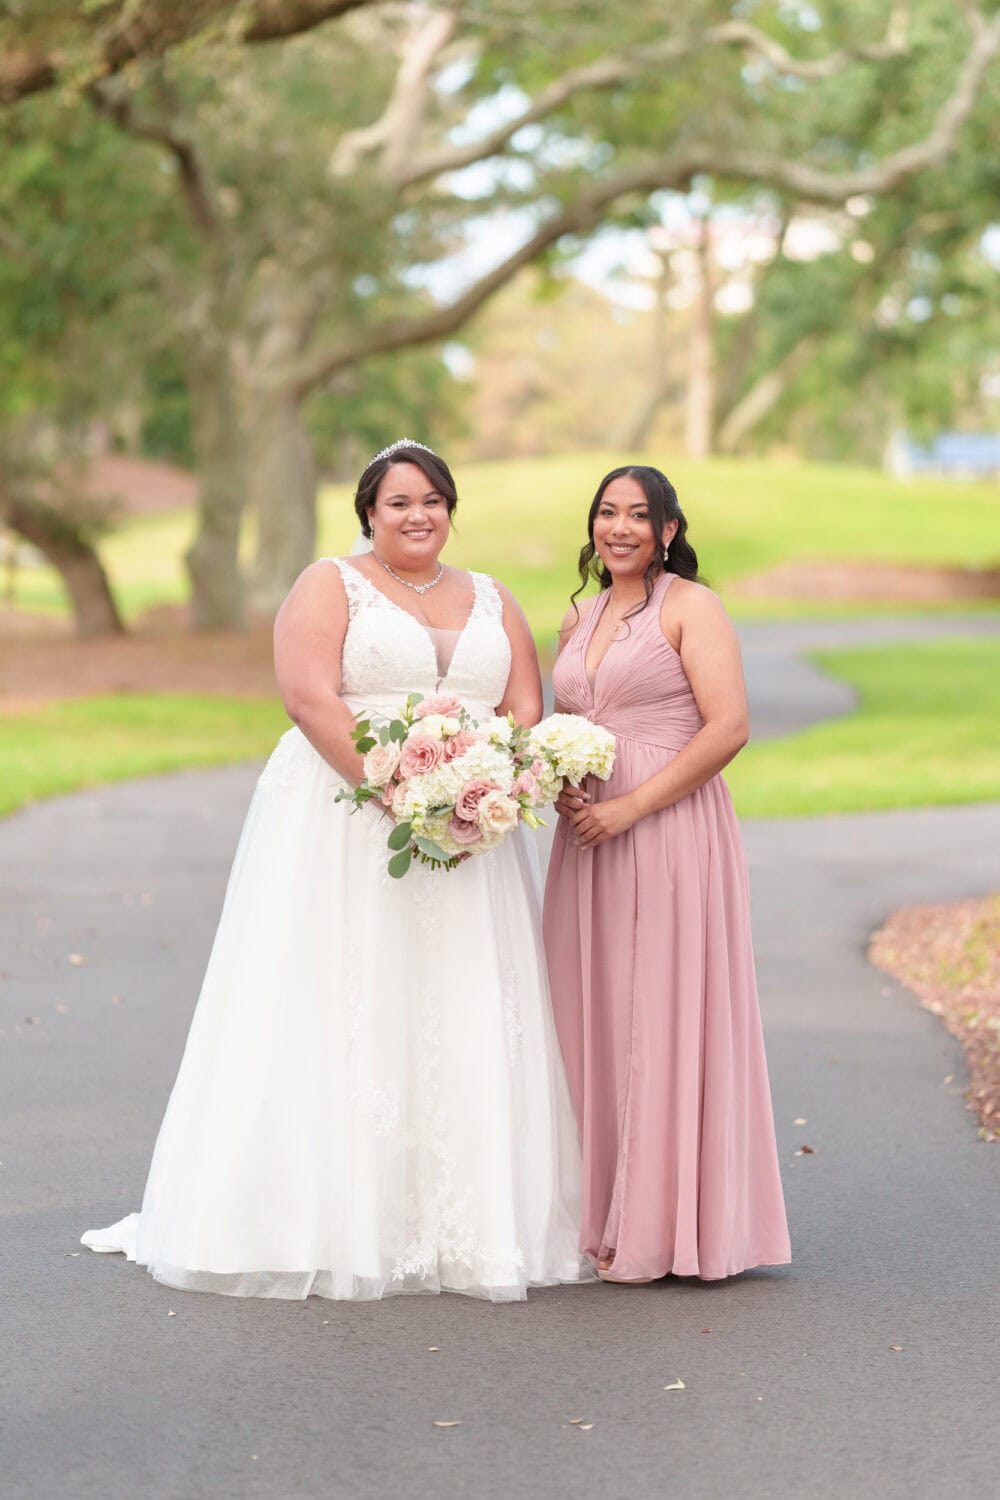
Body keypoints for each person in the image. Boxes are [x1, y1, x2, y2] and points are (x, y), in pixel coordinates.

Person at [82, 440, 589, 1302]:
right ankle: (325, 1216)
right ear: (368, 512)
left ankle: (463, 1223)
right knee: (347, 994)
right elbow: (308, 696)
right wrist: (396, 792)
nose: (417, 515)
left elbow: (524, 704)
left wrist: (480, 780)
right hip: (350, 821)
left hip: (470, 824)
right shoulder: (329, 583)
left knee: (463, 997)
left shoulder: (492, 596)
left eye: (432, 499)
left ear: (451, 507)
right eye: (398, 502)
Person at [543, 465, 790, 1285]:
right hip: (585, 837)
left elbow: (729, 729)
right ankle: (606, 1212)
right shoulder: (578, 616)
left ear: (668, 531)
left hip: (668, 828)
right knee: (596, 1011)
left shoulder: (693, 607)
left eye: (638, 515)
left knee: (661, 1008)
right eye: (607, 513)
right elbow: (565, 720)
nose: (620, 528)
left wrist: (632, 806)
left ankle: (668, 1226)